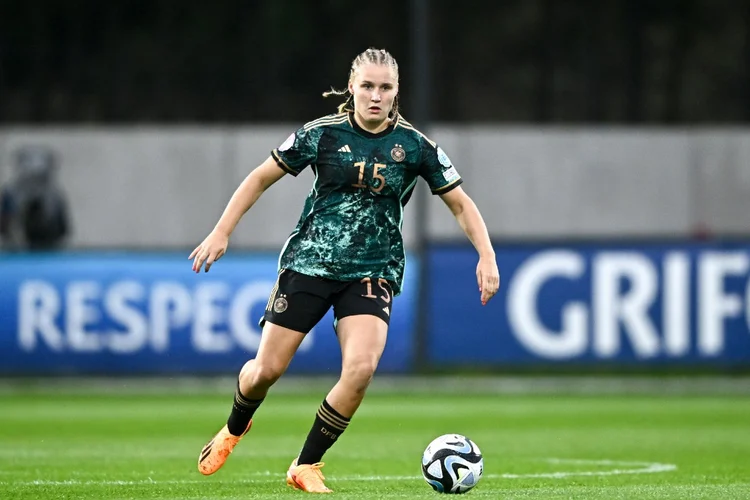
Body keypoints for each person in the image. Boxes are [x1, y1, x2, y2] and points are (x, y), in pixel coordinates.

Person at [190, 47, 500, 493]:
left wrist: (486, 256)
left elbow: (460, 204)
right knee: (265, 371)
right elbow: (259, 177)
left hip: (373, 271)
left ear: (397, 92)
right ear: (351, 87)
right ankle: (234, 428)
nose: (376, 95)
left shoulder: (415, 146)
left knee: (361, 367)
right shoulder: (321, 134)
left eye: (386, 87)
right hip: (310, 263)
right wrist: (221, 232)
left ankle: (306, 464)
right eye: (368, 86)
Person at [0, 145, 70, 251]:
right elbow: (4, 229)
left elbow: (62, 230)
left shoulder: (54, 196)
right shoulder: (11, 194)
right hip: (16, 252)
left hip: (48, 250)